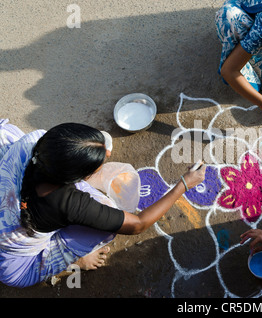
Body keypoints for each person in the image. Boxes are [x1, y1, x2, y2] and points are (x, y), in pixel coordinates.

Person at [0, 120, 205, 288]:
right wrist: (184, 184)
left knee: (5, 133)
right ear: (71, 178)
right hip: (14, 265)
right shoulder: (65, 203)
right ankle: (73, 260)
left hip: (13, 205)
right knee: (104, 225)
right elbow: (137, 224)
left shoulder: (35, 141)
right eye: (94, 168)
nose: (107, 155)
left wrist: (90, 150)